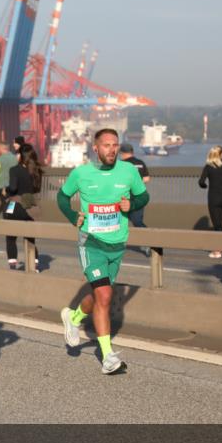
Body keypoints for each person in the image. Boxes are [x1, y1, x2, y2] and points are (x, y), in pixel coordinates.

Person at [58, 128, 149, 374]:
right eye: (106, 145)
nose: (112, 149)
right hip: (92, 241)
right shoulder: (81, 173)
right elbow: (62, 198)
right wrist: (71, 216)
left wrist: (133, 204)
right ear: (95, 148)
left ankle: (74, 318)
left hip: (117, 243)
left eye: (115, 145)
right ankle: (108, 357)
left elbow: (144, 197)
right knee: (106, 295)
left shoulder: (129, 171)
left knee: (101, 295)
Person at [3, 143, 43, 270]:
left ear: (20, 155)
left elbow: (13, 188)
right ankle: (34, 263)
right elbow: (37, 189)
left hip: (15, 205)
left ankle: (13, 263)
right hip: (30, 205)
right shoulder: (37, 170)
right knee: (30, 237)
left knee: (11, 236)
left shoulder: (14, 170)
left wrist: (6, 190)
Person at [119, 143, 151, 256]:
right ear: (132, 152)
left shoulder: (121, 164)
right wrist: (137, 184)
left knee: (118, 222)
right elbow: (147, 179)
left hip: (123, 198)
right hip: (138, 198)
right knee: (138, 222)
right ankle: (149, 243)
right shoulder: (140, 163)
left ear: (122, 153)